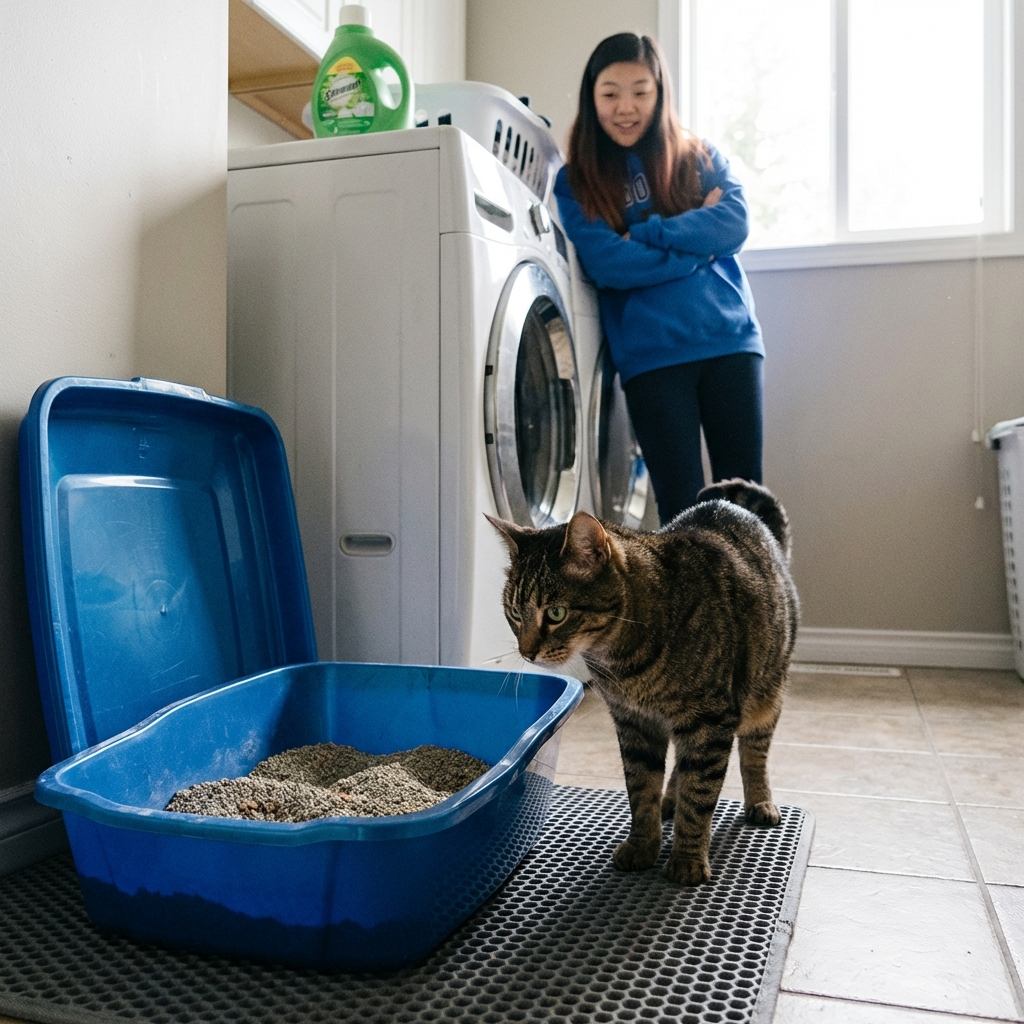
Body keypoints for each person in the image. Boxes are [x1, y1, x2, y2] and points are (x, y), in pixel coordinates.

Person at [554, 32, 765, 526]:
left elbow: (734, 223)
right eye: (610, 94)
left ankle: (756, 608)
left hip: (729, 339)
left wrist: (647, 232)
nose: (625, 108)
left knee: (748, 511)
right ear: (591, 97)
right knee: (681, 515)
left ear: (660, 93)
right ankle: (692, 610)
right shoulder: (576, 181)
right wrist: (697, 248)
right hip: (652, 358)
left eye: (640, 92)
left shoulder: (698, 155)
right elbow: (609, 264)